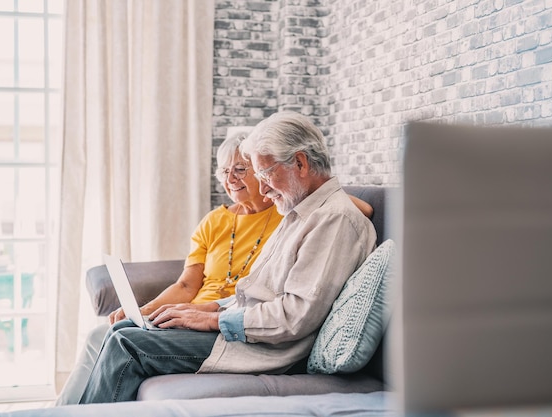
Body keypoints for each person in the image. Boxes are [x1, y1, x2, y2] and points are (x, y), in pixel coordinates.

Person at [77, 110, 377, 403]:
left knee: (125, 343)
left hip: (261, 347)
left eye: (265, 173)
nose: (261, 188)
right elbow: (256, 293)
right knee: (123, 327)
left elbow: (293, 317)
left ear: (299, 162)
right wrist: (204, 310)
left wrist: (215, 320)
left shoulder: (334, 220)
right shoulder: (300, 211)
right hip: (244, 330)